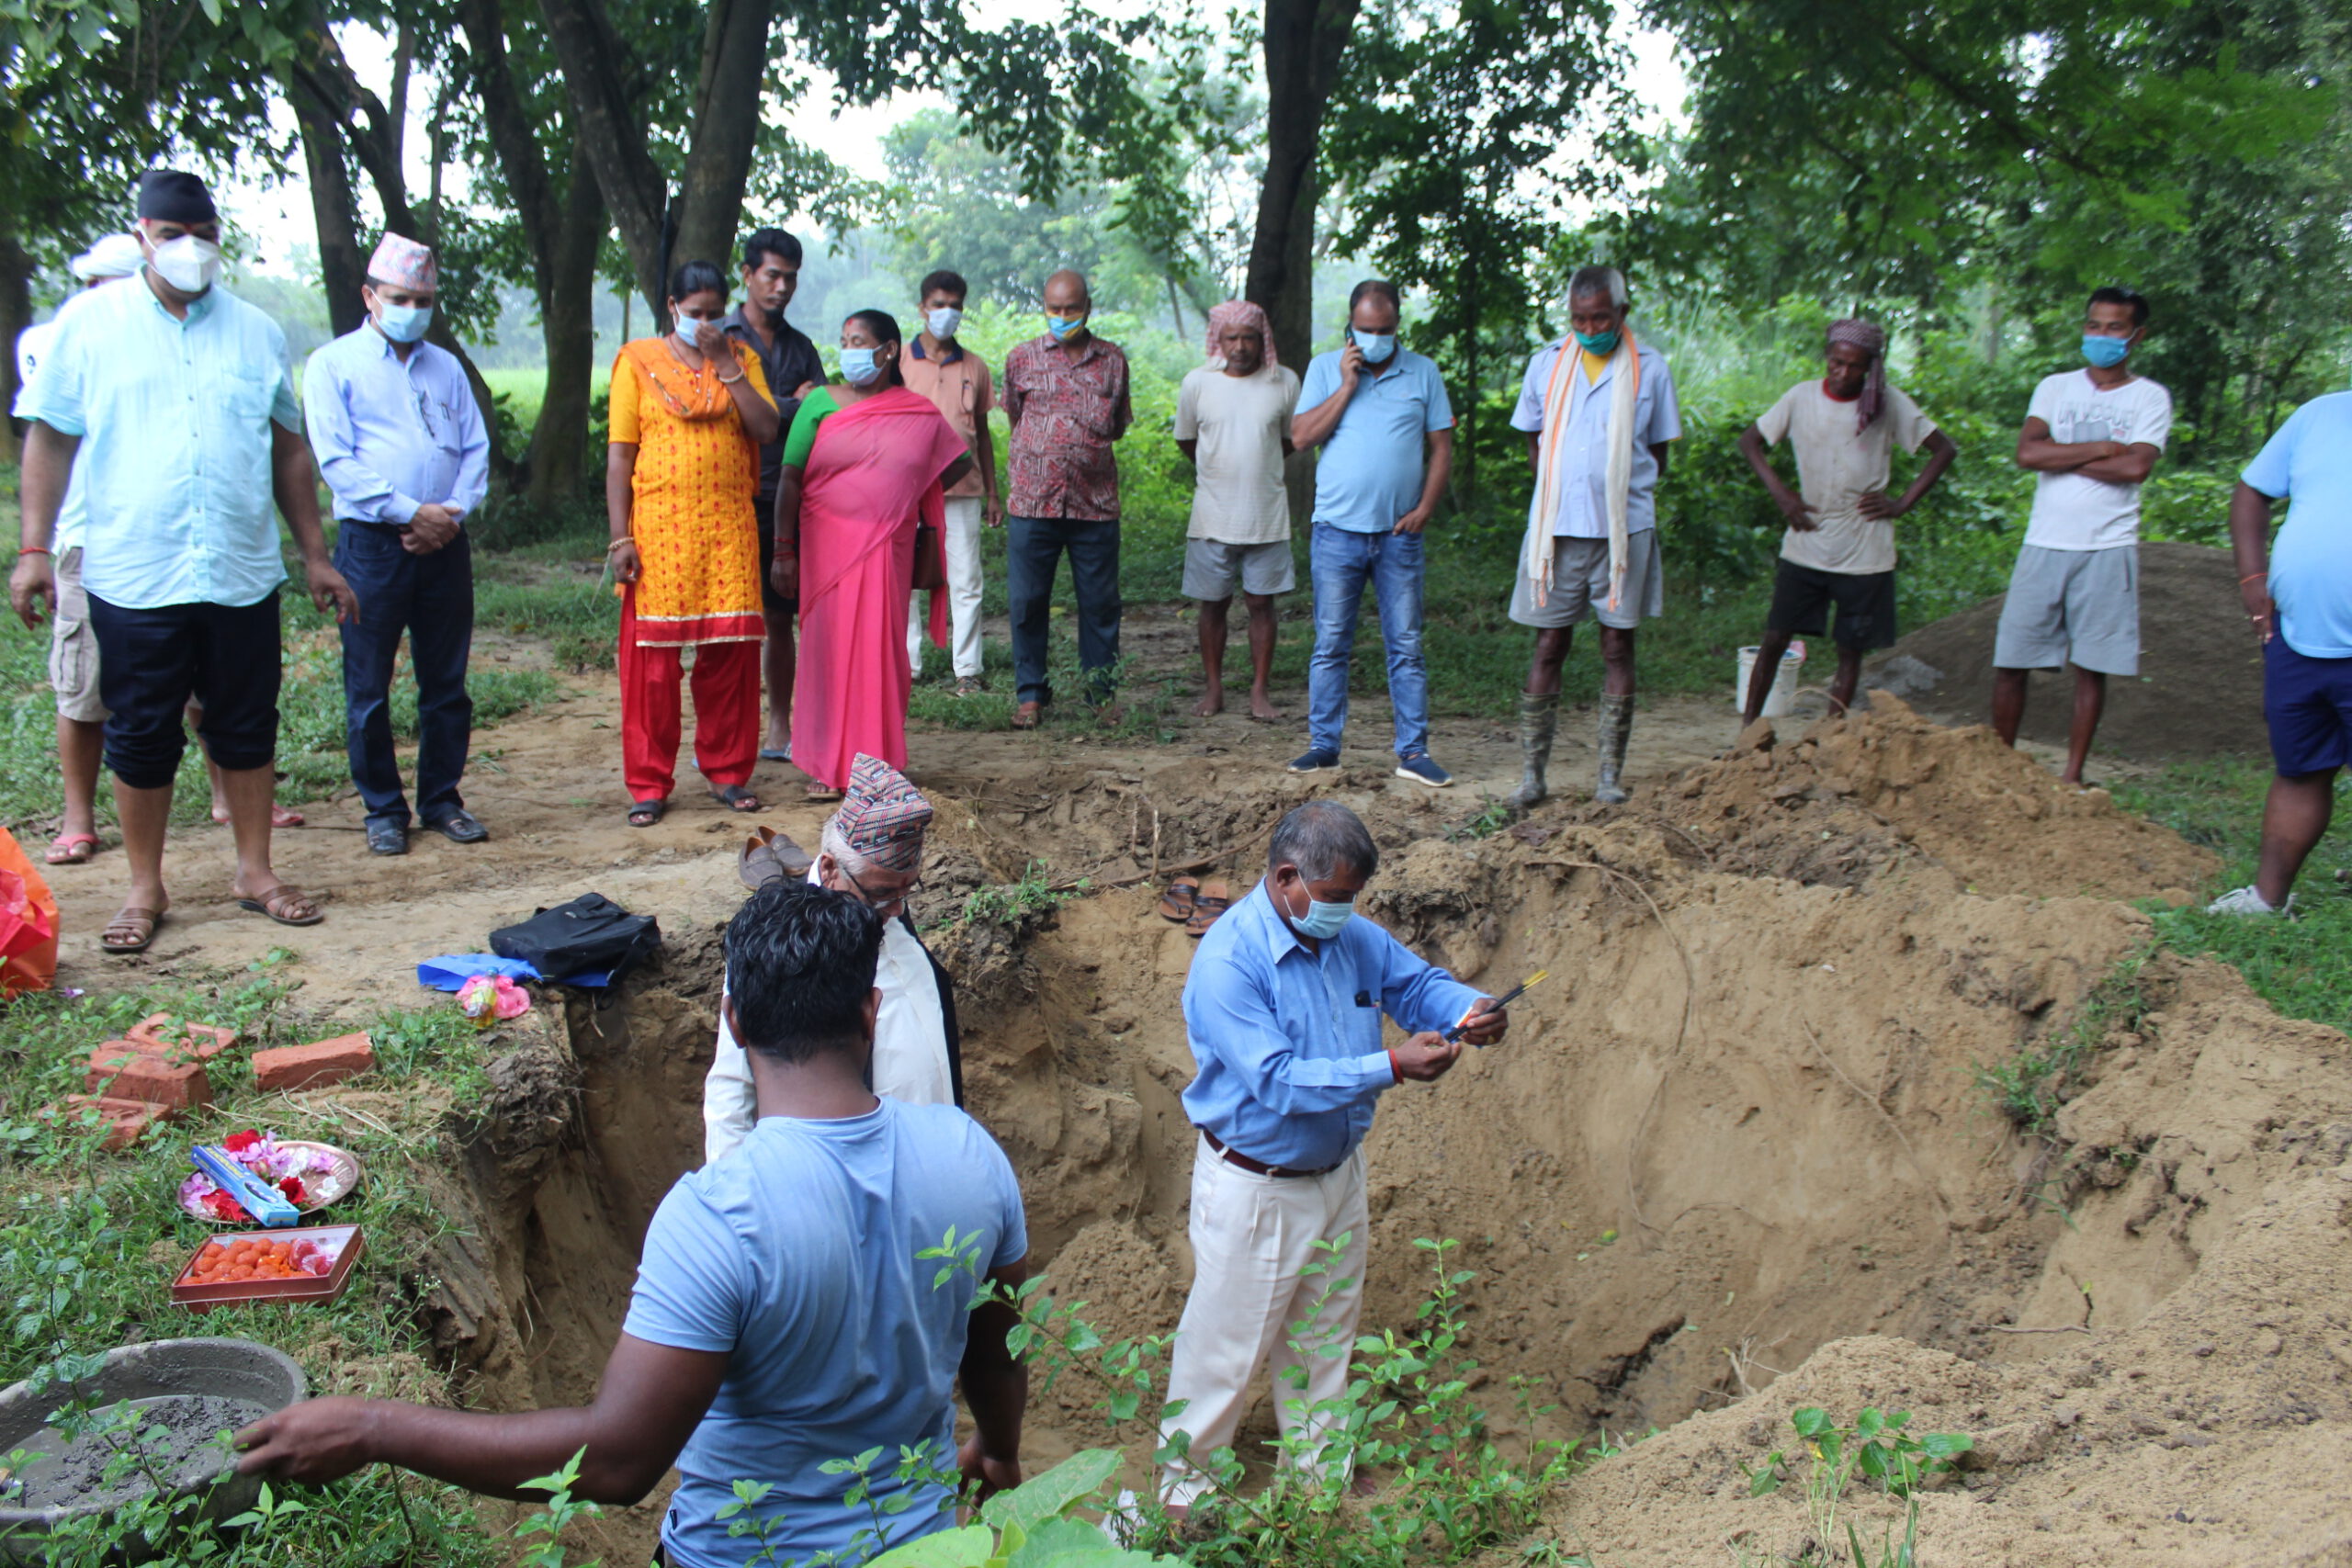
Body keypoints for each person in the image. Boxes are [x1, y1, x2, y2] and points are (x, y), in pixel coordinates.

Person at [233, 877, 1032, 1568]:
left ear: (735, 1021)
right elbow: (997, 1356)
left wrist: (373, 1424)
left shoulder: (720, 1216)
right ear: (871, 1010)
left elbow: (618, 1461)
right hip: (924, 1547)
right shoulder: (970, 1156)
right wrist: (996, 1452)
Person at [7, 170, 357, 953]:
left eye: (202, 236)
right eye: (172, 236)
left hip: (237, 567)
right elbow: (51, 438)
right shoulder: (89, 325)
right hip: (135, 568)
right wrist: (35, 549)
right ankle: (145, 886)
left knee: (246, 724)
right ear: (141, 235)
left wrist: (314, 554)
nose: (189, 250)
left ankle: (256, 872)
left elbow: (288, 447)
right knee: (141, 731)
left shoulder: (255, 331)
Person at [1157, 801, 1506, 1513]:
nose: (1347, 911)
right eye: (1338, 896)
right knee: (1225, 1350)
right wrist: (1393, 1065)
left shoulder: (1350, 934)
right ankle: (1185, 1498)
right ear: (1287, 877)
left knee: (1324, 1337)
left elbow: (1414, 984)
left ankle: (1317, 1481)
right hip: (1258, 1184)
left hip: (1336, 1174)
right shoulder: (1229, 961)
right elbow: (1278, 1080)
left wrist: (1469, 1005)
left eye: (1353, 898)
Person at [305, 233, 492, 857]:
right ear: (370, 296)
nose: (413, 307)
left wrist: (451, 514)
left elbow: (475, 450)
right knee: (368, 684)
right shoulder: (332, 365)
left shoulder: (445, 367)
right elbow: (337, 461)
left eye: (424, 298)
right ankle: (383, 809)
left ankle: (442, 799)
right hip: (372, 546)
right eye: (401, 297)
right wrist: (412, 511)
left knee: (446, 680)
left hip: (447, 542)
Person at [706, 753, 964, 1157]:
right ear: (827, 869)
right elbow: (732, 1090)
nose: (896, 909)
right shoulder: (778, 937)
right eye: (882, 893)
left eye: (907, 890)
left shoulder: (890, 912)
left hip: (933, 1165)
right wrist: (734, 1194)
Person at [606, 259, 780, 828]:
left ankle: (728, 773)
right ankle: (649, 784)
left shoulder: (741, 358)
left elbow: (765, 429)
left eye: (715, 314)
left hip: (727, 528)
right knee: (652, 666)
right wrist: (620, 537)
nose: (705, 323)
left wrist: (726, 362)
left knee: (729, 658)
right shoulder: (637, 362)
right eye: (695, 313)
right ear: (673, 308)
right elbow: (620, 455)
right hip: (657, 532)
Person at [774, 310, 973, 800]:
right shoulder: (818, 403)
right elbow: (789, 478)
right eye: (843, 340)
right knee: (828, 650)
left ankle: (876, 764)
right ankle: (825, 766)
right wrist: (783, 549)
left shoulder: (916, 413)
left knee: (882, 650)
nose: (848, 349)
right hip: (825, 547)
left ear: (887, 351)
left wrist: (904, 494)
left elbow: (957, 462)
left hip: (887, 545)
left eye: (858, 340)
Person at [1505, 265, 1681, 809]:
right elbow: (1534, 440)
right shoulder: (1547, 364)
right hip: (1555, 532)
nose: (1589, 327)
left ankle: (1610, 775)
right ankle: (1533, 776)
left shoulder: (1651, 370)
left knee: (1616, 644)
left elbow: (1658, 454)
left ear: (1622, 312)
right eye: (1580, 318)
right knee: (1549, 643)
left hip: (1622, 532)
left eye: (1600, 316)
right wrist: (1554, 486)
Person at [1736, 318, 1959, 728]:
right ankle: (1749, 731)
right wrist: (1781, 493)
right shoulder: (1801, 398)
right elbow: (1750, 441)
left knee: (1849, 649)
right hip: (1807, 540)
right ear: (1827, 357)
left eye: (1854, 366)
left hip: (1865, 550)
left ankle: (1831, 734)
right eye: (1836, 363)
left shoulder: (1888, 403)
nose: (1842, 373)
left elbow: (1943, 449)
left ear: (1871, 367)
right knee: (1775, 638)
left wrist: (1901, 502)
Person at [1991, 288, 2171, 785]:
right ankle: (2001, 767)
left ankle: (2072, 775)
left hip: (2107, 546)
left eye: (2115, 328)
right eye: (2094, 325)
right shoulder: (2056, 387)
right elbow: (2027, 454)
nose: (2101, 336)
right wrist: (2100, 448)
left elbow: (2136, 467)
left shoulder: (2149, 397)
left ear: (2137, 336)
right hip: (2044, 542)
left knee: (2091, 667)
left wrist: (2063, 453)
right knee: (2012, 657)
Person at [1288, 280, 1455, 786]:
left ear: (1397, 326)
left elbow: (1442, 447)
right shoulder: (1324, 369)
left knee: (1405, 644)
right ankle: (1323, 747)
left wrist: (1426, 506)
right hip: (1337, 531)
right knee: (1331, 641)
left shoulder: (1423, 372)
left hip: (1398, 536)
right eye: (1367, 330)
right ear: (1351, 327)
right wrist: (1346, 385)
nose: (1376, 338)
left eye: (1385, 330)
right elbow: (1300, 438)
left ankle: (1413, 752)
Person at [16, 231, 144, 870]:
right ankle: (78, 817)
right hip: (86, 541)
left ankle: (227, 803)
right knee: (84, 684)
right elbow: (50, 439)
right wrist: (34, 547)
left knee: (206, 686)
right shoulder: (55, 340)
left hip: (162, 540)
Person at [2205, 389, 2352, 916]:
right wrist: (2252, 577)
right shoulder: (2319, 415)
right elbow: (2251, 491)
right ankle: (2268, 901)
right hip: (2299, 637)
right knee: (2300, 769)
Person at [1001, 268, 1133, 728]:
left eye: (1071, 309)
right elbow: (1015, 415)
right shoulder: (1021, 359)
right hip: (1032, 503)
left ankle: (1100, 695)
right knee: (1026, 601)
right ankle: (1031, 695)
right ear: (1044, 306)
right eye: (1054, 309)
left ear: (1088, 307)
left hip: (1093, 505)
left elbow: (1117, 423)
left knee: (1099, 604)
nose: (1062, 317)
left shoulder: (1113, 360)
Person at [720, 229, 826, 764]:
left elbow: (823, 415)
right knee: (729, 622)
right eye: (772, 275)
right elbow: (727, 409)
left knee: (781, 616)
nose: (782, 287)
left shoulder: (800, 346)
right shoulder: (717, 336)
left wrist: (769, 406)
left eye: (790, 277)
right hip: (725, 497)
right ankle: (725, 737)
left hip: (785, 498)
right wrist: (786, 404)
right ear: (747, 274)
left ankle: (781, 725)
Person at [1176, 299, 1299, 721]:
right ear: (1218, 340)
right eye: (1232, 337)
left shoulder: (1283, 382)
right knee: (1213, 604)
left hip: (1266, 514)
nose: (1241, 346)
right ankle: (1214, 689)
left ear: (1261, 338)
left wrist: (1258, 465)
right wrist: (1218, 467)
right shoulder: (1197, 383)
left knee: (1261, 604)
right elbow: (1187, 440)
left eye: (1249, 337)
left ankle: (1260, 691)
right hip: (1213, 515)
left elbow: (1289, 440)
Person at [899, 268, 1002, 696]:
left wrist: (994, 492)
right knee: (904, 579)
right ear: (922, 307)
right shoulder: (898, 362)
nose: (947, 313)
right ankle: (906, 666)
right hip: (905, 490)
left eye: (955, 305)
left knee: (966, 579)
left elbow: (982, 430)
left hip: (963, 489)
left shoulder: (974, 367)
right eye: (939, 304)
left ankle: (968, 671)